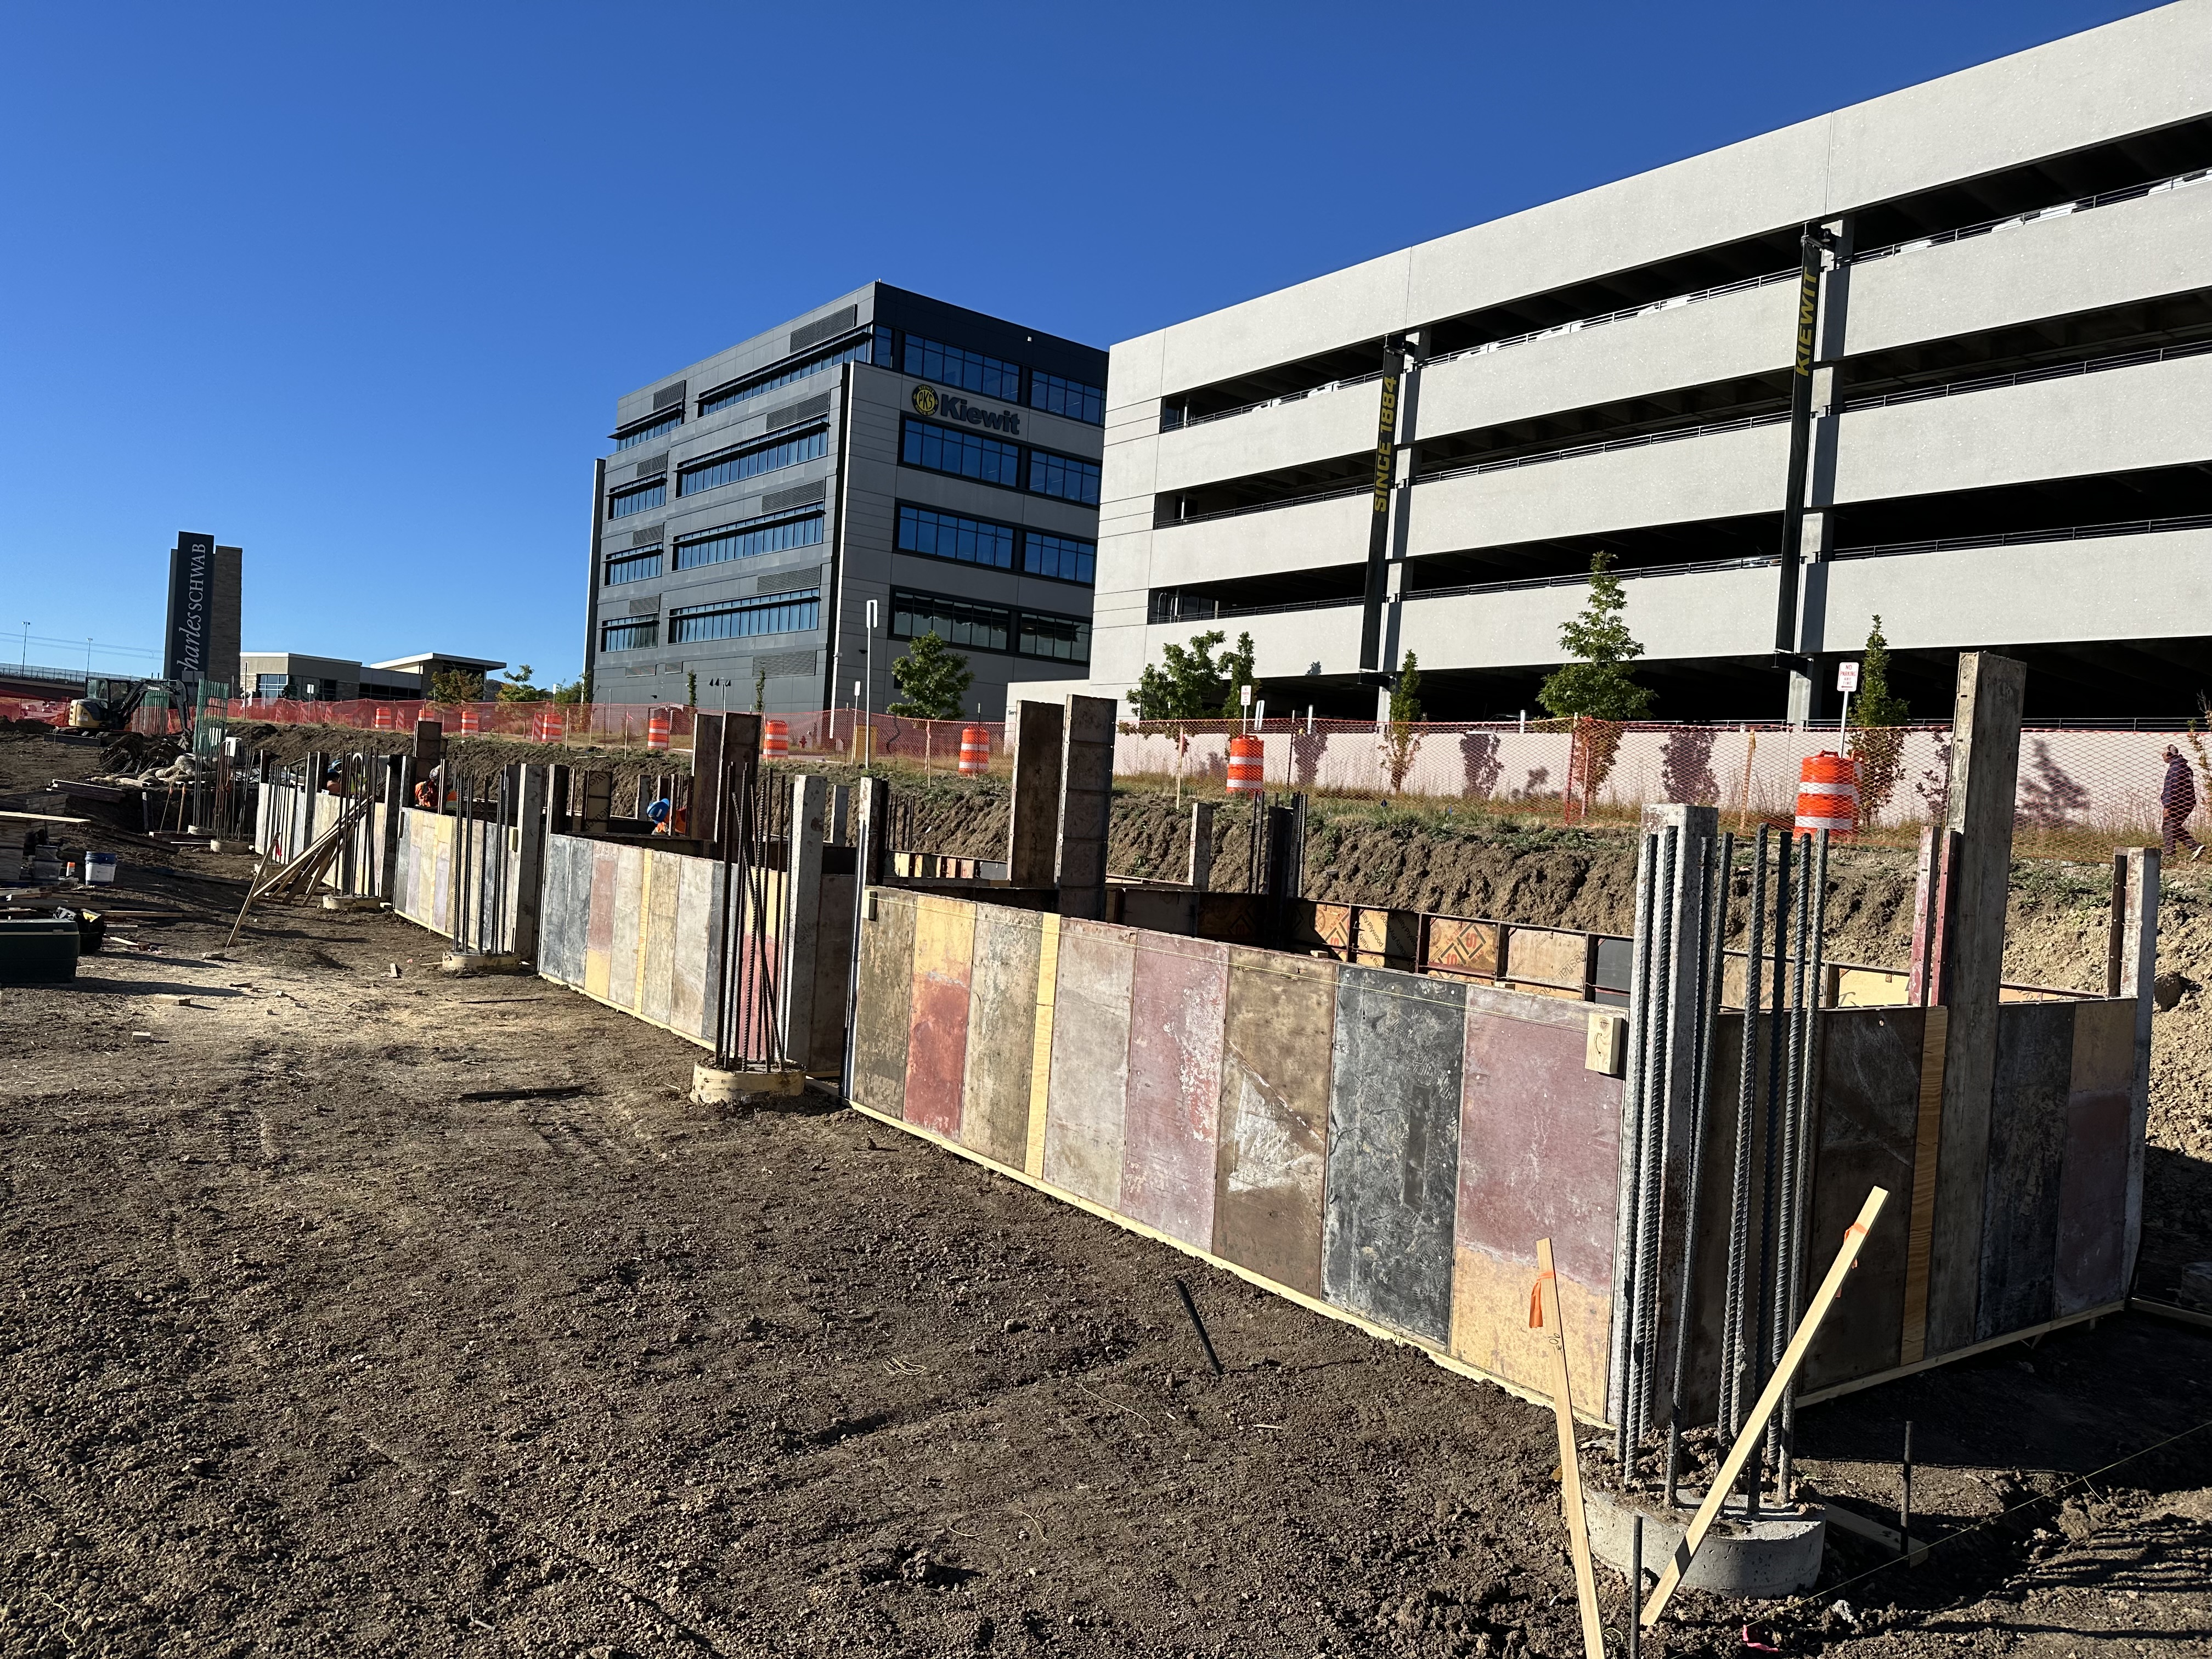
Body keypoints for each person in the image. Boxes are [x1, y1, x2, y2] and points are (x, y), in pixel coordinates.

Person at [2162, 744, 2203, 860]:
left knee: (2168, 826)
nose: (2162, 756)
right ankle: (2195, 847)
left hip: (2178, 802)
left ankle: (2169, 856)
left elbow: (2172, 787)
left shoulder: (2175, 768)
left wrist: (2168, 805)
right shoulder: (2184, 767)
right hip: (2187, 802)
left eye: (2164, 754)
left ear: (2169, 754)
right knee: (2174, 826)